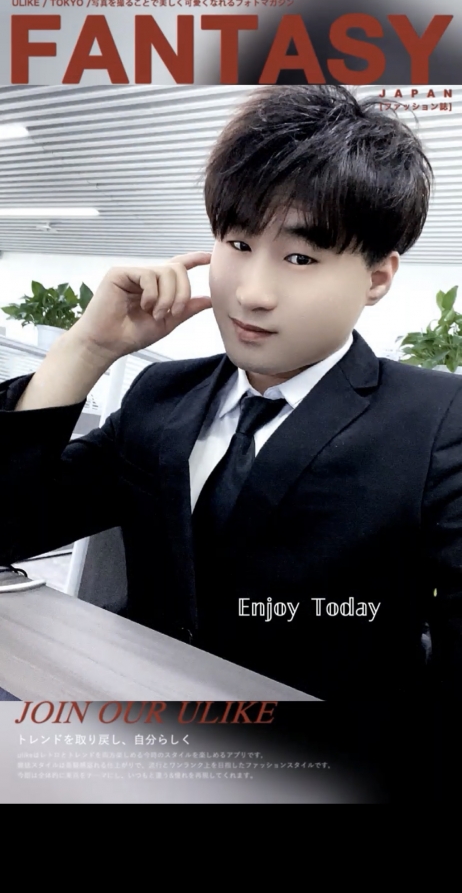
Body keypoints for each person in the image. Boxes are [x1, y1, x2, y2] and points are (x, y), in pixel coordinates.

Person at [1, 86, 461, 752]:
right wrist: (87, 349)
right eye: (238, 243)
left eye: (300, 258)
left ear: (377, 277)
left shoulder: (437, 422)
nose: (252, 292)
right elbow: (10, 524)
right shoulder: (163, 396)